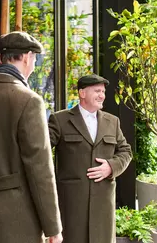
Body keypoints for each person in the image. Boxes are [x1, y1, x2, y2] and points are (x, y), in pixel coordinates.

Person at [0, 31, 62, 243]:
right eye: (34, 59)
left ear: (2, 58)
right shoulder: (29, 101)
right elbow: (40, 169)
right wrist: (53, 228)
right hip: (18, 218)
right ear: (27, 57)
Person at [48, 74, 132, 243]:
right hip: (71, 206)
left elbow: (126, 151)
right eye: (97, 91)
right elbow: (41, 152)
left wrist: (111, 167)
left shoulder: (112, 122)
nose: (102, 95)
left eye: (103, 91)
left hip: (103, 206)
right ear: (82, 93)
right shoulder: (60, 120)